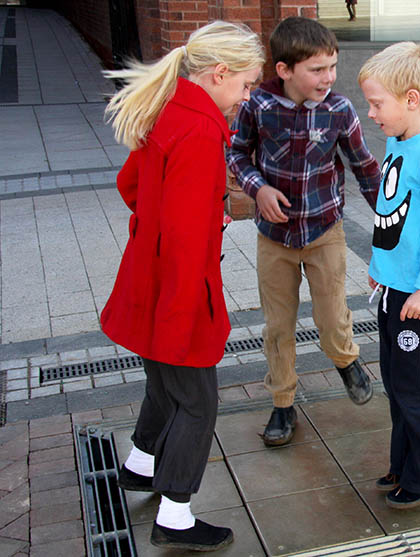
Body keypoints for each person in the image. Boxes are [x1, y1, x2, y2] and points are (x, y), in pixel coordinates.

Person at [100, 21, 264, 551]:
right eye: (244, 85)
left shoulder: (166, 110)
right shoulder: (199, 130)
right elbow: (189, 241)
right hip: (179, 292)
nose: (246, 98)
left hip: (148, 281)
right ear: (219, 74)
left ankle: (140, 464)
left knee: (164, 384)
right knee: (197, 402)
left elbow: (131, 185)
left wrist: (159, 219)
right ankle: (174, 516)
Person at [227, 16, 381, 447]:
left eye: (332, 66)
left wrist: (390, 223)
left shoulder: (340, 109)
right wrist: (258, 189)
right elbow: (237, 154)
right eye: (317, 69)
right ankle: (282, 403)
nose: (328, 77)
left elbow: (364, 167)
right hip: (273, 239)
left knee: (332, 316)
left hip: (324, 232)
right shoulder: (258, 105)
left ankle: (346, 360)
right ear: (285, 70)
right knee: (279, 326)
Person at [358, 42, 420, 509]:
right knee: (399, 386)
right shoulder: (399, 141)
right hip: (395, 290)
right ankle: (404, 463)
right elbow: (392, 216)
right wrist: (381, 270)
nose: (372, 114)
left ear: (412, 99)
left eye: (378, 104)